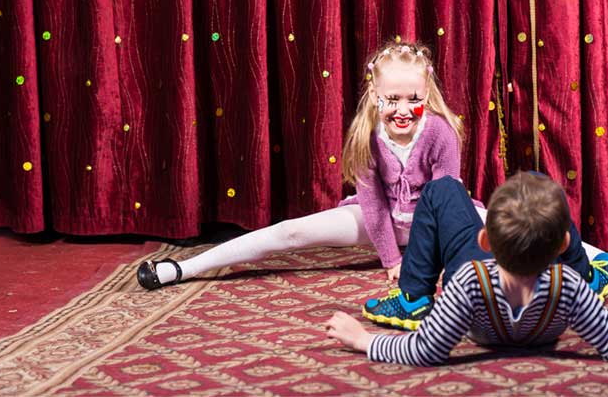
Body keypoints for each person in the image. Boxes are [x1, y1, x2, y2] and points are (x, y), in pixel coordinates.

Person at [137, 41, 467, 289]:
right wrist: (392, 258)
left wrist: (429, 261)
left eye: (414, 99)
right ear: (375, 94)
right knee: (290, 231)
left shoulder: (441, 133)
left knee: (496, 228)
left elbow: (443, 203)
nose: (403, 109)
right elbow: (375, 205)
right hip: (382, 219)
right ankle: (183, 268)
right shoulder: (368, 135)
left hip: (437, 218)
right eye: (392, 99)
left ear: (427, 94)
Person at [326, 173, 608, 365]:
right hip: (563, 284)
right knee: (548, 200)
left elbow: (424, 351)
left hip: (476, 280)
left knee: (443, 189)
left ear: (485, 239)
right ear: (562, 245)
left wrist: (364, 341)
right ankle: (594, 273)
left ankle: (412, 298)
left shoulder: (466, 283)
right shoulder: (570, 285)